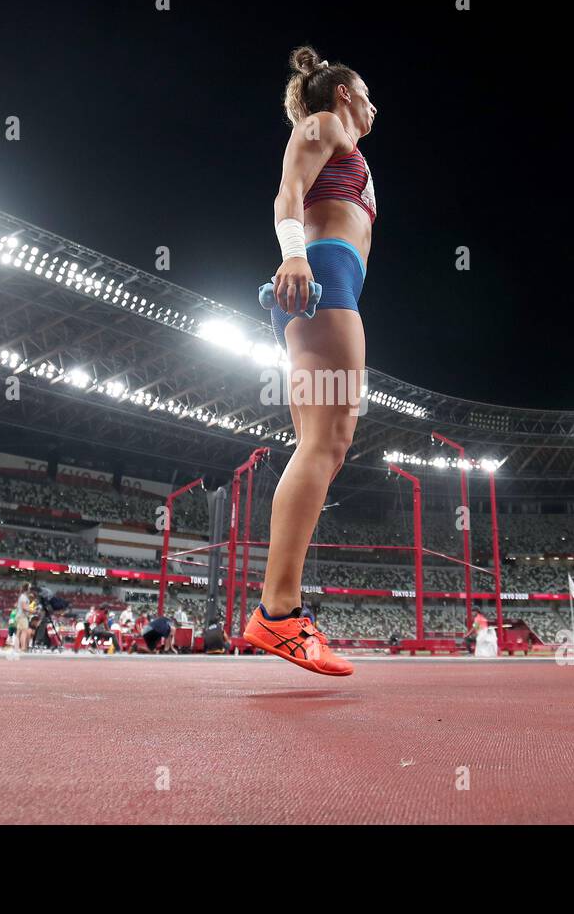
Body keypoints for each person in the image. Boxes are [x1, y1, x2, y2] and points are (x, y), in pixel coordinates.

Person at [243, 46, 377, 677]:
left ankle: (279, 611)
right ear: (344, 93)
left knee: (323, 443)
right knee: (325, 443)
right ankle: (278, 614)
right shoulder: (324, 125)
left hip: (330, 276)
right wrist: (294, 255)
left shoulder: (346, 142)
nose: (374, 103)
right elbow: (288, 190)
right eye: (367, 91)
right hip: (319, 273)